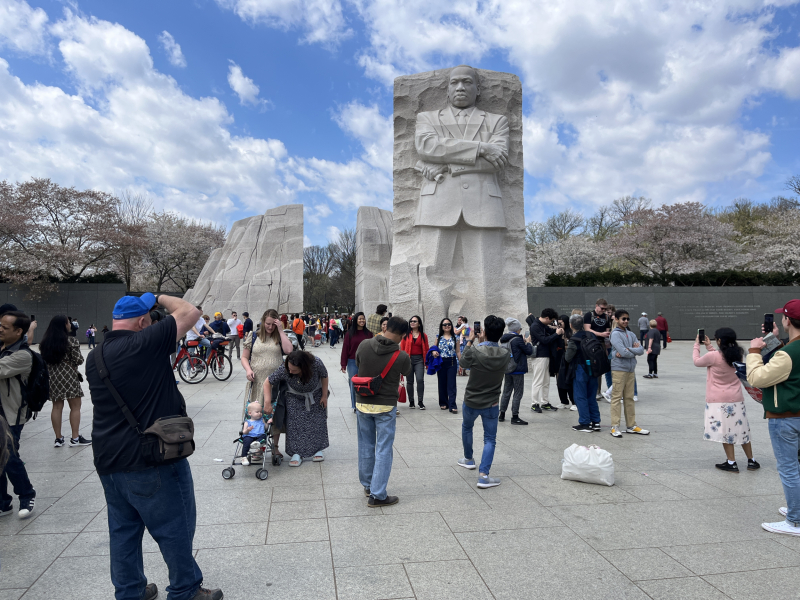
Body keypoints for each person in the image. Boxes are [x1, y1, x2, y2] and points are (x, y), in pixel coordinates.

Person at [85, 293, 223, 600]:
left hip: (108, 458)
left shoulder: (94, 357)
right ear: (144, 322)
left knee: (123, 531)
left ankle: (130, 591)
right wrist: (156, 296)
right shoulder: (143, 343)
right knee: (174, 527)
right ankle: (186, 590)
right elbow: (189, 311)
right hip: (151, 457)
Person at [746, 300, 800, 537]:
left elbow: (757, 377)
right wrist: (774, 341)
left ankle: (795, 520)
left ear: (787, 320)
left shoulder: (788, 354)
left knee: (789, 468)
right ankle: (796, 508)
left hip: (785, 415)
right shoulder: (788, 349)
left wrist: (755, 351)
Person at [355, 316, 411, 507]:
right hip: (386, 406)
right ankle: (378, 495)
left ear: (386, 327)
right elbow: (407, 371)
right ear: (403, 334)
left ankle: (368, 485)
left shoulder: (363, 345)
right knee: (383, 448)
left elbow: (358, 361)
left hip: (362, 402)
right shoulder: (401, 355)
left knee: (366, 445)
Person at [694, 328, 757, 472]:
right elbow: (723, 358)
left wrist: (696, 345)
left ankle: (731, 462)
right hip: (736, 399)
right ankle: (751, 460)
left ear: (720, 340)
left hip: (718, 400)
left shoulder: (713, 356)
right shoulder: (738, 354)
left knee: (725, 431)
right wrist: (710, 347)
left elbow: (697, 361)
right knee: (742, 430)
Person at [457, 315, 509, 488]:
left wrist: (471, 341)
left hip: (471, 399)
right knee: (490, 439)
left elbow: (463, 363)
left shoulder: (475, 350)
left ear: (484, 332)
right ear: (501, 334)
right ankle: (484, 475)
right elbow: (510, 367)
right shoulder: (505, 353)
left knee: (467, 427)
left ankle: (468, 459)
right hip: (492, 402)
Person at [242, 309, 294, 457]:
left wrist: (281, 330)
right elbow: (245, 357)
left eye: (273, 324)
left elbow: (289, 350)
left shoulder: (279, 336)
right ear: (263, 322)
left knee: (275, 416)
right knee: (256, 416)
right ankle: (256, 447)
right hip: (257, 382)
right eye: (268, 324)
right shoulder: (254, 336)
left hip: (275, 384)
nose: (270, 327)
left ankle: (275, 447)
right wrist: (247, 370)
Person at [264, 351, 329, 466]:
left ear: (303, 367)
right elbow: (267, 382)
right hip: (294, 397)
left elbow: (324, 376)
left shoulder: (316, 363)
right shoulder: (285, 367)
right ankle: (296, 452)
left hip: (315, 395)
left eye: (294, 370)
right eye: (289, 368)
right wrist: (267, 402)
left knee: (317, 422)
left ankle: (317, 449)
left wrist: (324, 396)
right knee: (294, 424)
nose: (290, 371)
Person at [0, 311, 36, 519]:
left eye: (5, 327)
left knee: (10, 458)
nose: (0, 329)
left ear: (18, 331)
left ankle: (26, 494)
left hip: (11, 415)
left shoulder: (23, 355)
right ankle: (3, 503)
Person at [40, 315, 92, 448]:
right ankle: (75, 438)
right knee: (75, 407)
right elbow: (79, 360)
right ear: (64, 325)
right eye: (68, 322)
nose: (70, 324)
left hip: (53, 378)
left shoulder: (45, 342)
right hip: (68, 377)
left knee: (56, 407)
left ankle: (58, 438)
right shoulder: (71, 341)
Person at [609, 310, 648, 438]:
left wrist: (629, 350)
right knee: (616, 398)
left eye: (627, 319)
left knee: (629, 398)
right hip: (619, 369)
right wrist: (633, 350)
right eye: (623, 319)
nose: (625, 321)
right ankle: (615, 426)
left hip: (631, 369)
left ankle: (631, 425)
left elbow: (641, 350)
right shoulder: (615, 334)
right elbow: (623, 352)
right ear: (616, 319)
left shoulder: (630, 334)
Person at [565, 314, 602, 432]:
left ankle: (585, 423)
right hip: (593, 368)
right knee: (591, 396)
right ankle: (596, 422)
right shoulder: (591, 335)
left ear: (571, 325)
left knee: (580, 396)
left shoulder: (574, 339)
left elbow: (568, 357)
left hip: (580, 369)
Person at [498, 317, 532, 424]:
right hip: (517, 369)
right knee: (518, 392)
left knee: (506, 391)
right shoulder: (517, 339)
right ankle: (515, 416)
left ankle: (502, 414)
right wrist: (528, 342)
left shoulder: (504, 339)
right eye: (520, 328)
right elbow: (528, 351)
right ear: (517, 329)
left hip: (507, 368)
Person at [529, 308, 563, 413]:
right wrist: (557, 334)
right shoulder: (535, 326)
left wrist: (556, 329)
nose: (551, 322)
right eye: (551, 320)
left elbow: (550, 331)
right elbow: (544, 340)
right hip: (539, 356)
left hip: (546, 355)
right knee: (538, 381)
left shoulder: (542, 324)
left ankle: (545, 402)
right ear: (547, 318)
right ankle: (534, 403)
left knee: (546, 381)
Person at [341, 312, 374, 413]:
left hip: (366, 361)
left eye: (363, 319)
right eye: (360, 319)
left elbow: (372, 348)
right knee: (353, 383)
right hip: (352, 361)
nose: (362, 321)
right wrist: (343, 364)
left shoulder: (369, 334)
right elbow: (345, 349)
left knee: (366, 382)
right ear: (355, 320)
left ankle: (365, 402)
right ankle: (355, 405)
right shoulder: (349, 334)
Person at [400, 315, 429, 409]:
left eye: (414, 321)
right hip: (408, 359)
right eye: (411, 321)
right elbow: (402, 348)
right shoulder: (406, 335)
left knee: (420, 379)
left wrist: (428, 361)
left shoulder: (424, 336)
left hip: (419, 359)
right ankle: (411, 401)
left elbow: (426, 349)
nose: (412, 322)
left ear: (419, 323)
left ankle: (420, 401)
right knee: (410, 381)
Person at [433, 317, 461, 413]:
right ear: (441, 326)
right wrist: (434, 353)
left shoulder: (455, 337)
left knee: (452, 384)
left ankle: (452, 404)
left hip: (452, 362)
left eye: (448, 324)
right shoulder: (438, 337)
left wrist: (461, 362)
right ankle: (443, 402)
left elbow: (457, 351)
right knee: (442, 383)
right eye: (444, 325)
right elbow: (434, 348)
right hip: (441, 362)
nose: (447, 326)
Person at [584, 299, 612, 398]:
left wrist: (607, 345)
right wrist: (600, 334)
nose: (603, 310)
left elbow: (607, 330)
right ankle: (590, 390)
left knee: (599, 367)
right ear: (596, 306)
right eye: (601, 308)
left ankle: (597, 391)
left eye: (605, 309)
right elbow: (587, 329)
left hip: (602, 343)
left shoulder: (606, 316)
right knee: (591, 366)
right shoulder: (589, 315)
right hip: (591, 343)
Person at [554, 314, 576, 410]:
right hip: (559, 359)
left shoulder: (570, 332)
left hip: (568, 359)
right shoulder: (557, 331)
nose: (559, 324)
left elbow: (570, 346)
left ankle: (574, 402)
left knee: (569, 381)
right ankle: (564, 401)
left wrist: (564, 338)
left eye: (561, 322)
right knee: (559, 381)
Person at [240, 402, 266, 466]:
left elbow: (266, 427)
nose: (260, 413)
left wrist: (267, 423)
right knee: (246, 441)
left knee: (264, 435)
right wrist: (248, 430)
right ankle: (244, 457)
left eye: (260, 412)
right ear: (250, 413)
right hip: (249, 436)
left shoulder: (262, 420)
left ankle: (257, 442)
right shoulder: (247, 422)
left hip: (260, 435)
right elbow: (244, 432)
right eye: (257, 412)